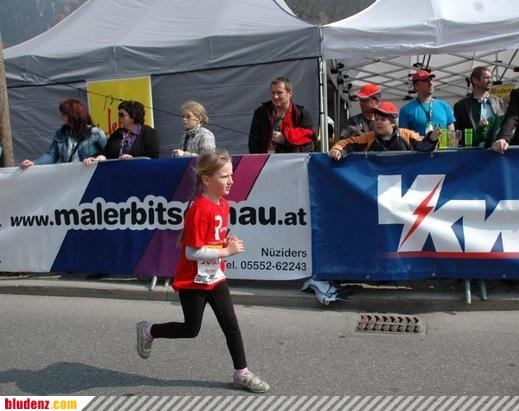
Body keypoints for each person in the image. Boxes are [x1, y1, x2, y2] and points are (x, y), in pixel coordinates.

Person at [135, 149, 270, 394]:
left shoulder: (223, 205)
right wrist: (226, 251)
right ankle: (149, 330)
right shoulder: (199, 209)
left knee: (231, 325)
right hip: (193, 281)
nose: (231, 181)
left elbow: (213, 239)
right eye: (224, 176)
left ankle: (241, 373)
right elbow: (192, 252)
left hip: (215, 277)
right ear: (206, 179)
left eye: (231, 175)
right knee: (191, 329)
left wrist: (224, 243)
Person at [328, 102, 438, 161]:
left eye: (382, 120)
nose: (378, 122)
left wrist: (431, 139)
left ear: (393, 123)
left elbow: (423, 145)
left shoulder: (407, 135)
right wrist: (337, 150)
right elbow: (347, 142)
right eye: (376, 119)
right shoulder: (368, 137)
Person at [19, 99, 107, 169]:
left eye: (64, 113)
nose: (61, 116)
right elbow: (51, 155)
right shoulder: (60, 134)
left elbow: (109, 153)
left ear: (74, 114)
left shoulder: (96, 133)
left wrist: (100, 157)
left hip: (90, 177)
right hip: (69, 177)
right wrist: (34, 163)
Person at [248, 77, 316, 153]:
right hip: (266, 159)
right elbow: (253, 142)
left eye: (279, 92)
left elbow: (310, 145)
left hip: (292, 159)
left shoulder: (301, 114)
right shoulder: (261, 112)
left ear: (290, 93)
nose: (275, 96)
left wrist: (286, 140)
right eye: (273, 92)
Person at [454, 66, 505, 147]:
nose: (490, 80)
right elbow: (457, 131)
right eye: (486, 78)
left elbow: (503, 125)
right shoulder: (461, 105)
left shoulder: (498, 102)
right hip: (470, 150)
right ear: (475, 80)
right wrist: (457, 147)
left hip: (494, 149)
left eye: (491, 78)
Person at [399, 70, 455, 137]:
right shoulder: (406, 110)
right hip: (418, 144)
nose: (430, 83)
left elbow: (451, 133)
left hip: (442, 144)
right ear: (416, 86)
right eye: (425, 81)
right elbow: (403, 137)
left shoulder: (444, 106)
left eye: (431, 80)